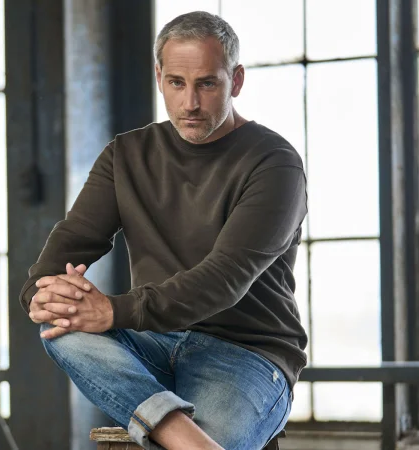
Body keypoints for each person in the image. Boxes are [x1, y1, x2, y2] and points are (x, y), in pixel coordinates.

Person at [19, 11, 308, 450]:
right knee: (63, 327)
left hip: (248, 354)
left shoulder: (275, 164)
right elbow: (72, 240)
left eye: (206, 84)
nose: (189, 103)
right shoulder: (126, 154)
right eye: (176, 82)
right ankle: (187, 439)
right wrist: (41, 293)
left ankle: (176, 431)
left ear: (236, 80)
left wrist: (113, 311)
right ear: (159, 77)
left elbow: (224, 278)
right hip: (152, 343)